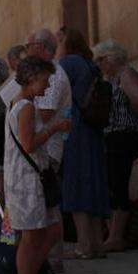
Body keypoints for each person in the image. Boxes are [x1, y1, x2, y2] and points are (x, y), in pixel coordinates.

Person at [5, 56, 72, 274]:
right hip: (27, 179)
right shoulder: (26, 107)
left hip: (30, 177)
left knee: (50, 230)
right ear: (32, 79)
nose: (46, 87)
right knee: (31, 237)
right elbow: (29, 144)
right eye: (44, 81)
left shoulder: (21, 103)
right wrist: (55, 128)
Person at [92, 38, 138, 252]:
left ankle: (116, 237)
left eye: (99, 60)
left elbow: (137, 100)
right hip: (117, 136)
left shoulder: (126, 75)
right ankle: (113, 234)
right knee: (113, 184)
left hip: (124, 136)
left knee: (119, 184)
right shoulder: (115, 78)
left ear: (109, 59)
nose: (98, 65)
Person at [58, 28, 109, 258]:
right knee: (95, 183)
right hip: (93, 131)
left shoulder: (68, 62)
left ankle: (83, 244)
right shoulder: (90, 64)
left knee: (77, 183)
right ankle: (97, 244)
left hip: (76, 129)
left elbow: (55, 89)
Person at [25, 28, 71, 270]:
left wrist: (21, 108)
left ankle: (50, 259)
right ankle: (46, 257)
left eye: (28, 46)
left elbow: (46, 112)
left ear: (41, 48)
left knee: (48, 205)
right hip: (41, 147)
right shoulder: (46, 73)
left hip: (46, 148)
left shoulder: (53, 76)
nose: (26, 52)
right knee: (45, 204)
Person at [0, 43, 27, 202]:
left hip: (7, 131)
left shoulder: (18, 79)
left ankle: (2, 218)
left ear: (16, 59)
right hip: (7, 129)